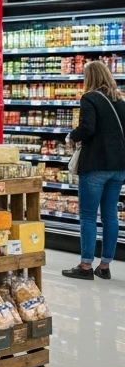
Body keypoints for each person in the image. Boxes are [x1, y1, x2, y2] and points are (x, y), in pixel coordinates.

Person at [63, 60, 125, 280]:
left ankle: (86, 266)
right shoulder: (120, 100)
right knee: (110, 215)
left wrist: (72, 135)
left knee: (88, 216)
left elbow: (87, 128)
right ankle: (105, 266)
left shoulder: (89, 98)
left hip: (96, 165)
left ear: (90, 78)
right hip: (119, 166)